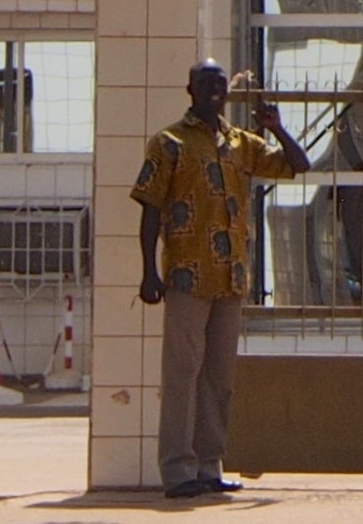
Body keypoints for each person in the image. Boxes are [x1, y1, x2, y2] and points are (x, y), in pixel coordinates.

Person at [131, 63, 308, 500]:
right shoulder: (169, 143)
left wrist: (276, 128)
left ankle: (210, 465)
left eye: (219, 83)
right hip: (187, 276)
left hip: (231, 276)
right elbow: (150, 209)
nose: (213, 89)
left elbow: (297, 165)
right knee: (182, 374)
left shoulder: (241, 143)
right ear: (189, 89)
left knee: (219, 378)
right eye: (205, 83)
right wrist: (149, 271)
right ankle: (178, 470)